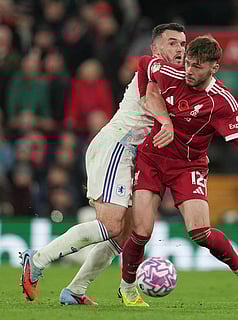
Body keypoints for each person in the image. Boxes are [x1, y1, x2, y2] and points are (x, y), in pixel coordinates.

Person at [19, 23, 186, 304]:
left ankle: (75, 291)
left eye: (183, 44)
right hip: (117, 147)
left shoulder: (179, 78)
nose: (179, 49)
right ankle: (37, 261)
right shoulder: (152, 68)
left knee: (125, 235)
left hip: (133, 156)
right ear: (156, 49)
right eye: (172, 43)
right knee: (110, 225)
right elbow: (150, 100)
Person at [117, 36, 238, 307]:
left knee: (200, 232)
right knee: (141, 232)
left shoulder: (222, 102)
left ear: (214, 68)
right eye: (187, 63)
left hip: (188, 165)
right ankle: (127, 289)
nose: (188, 70)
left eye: (196, 66)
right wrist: (146, 98)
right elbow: (142, 63)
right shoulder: (169, 70)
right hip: (152, 158)